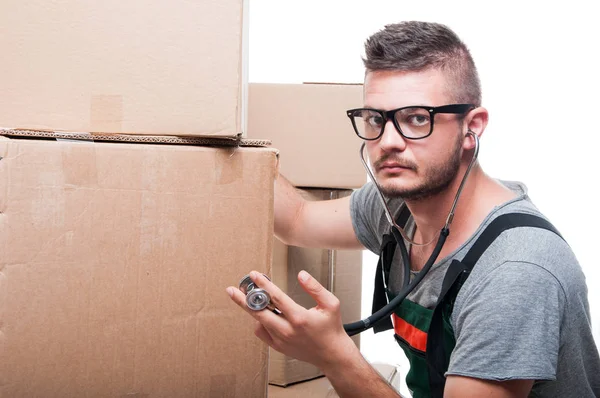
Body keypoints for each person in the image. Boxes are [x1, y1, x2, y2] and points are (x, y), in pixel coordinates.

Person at [226, 21, 600, 397]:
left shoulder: (515, 272)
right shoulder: (396, 206)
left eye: (417, 119)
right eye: (376, 119)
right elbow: (297, 221)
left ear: (472, 128)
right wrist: (214, 123)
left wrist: (333, 355)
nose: (388, 142)